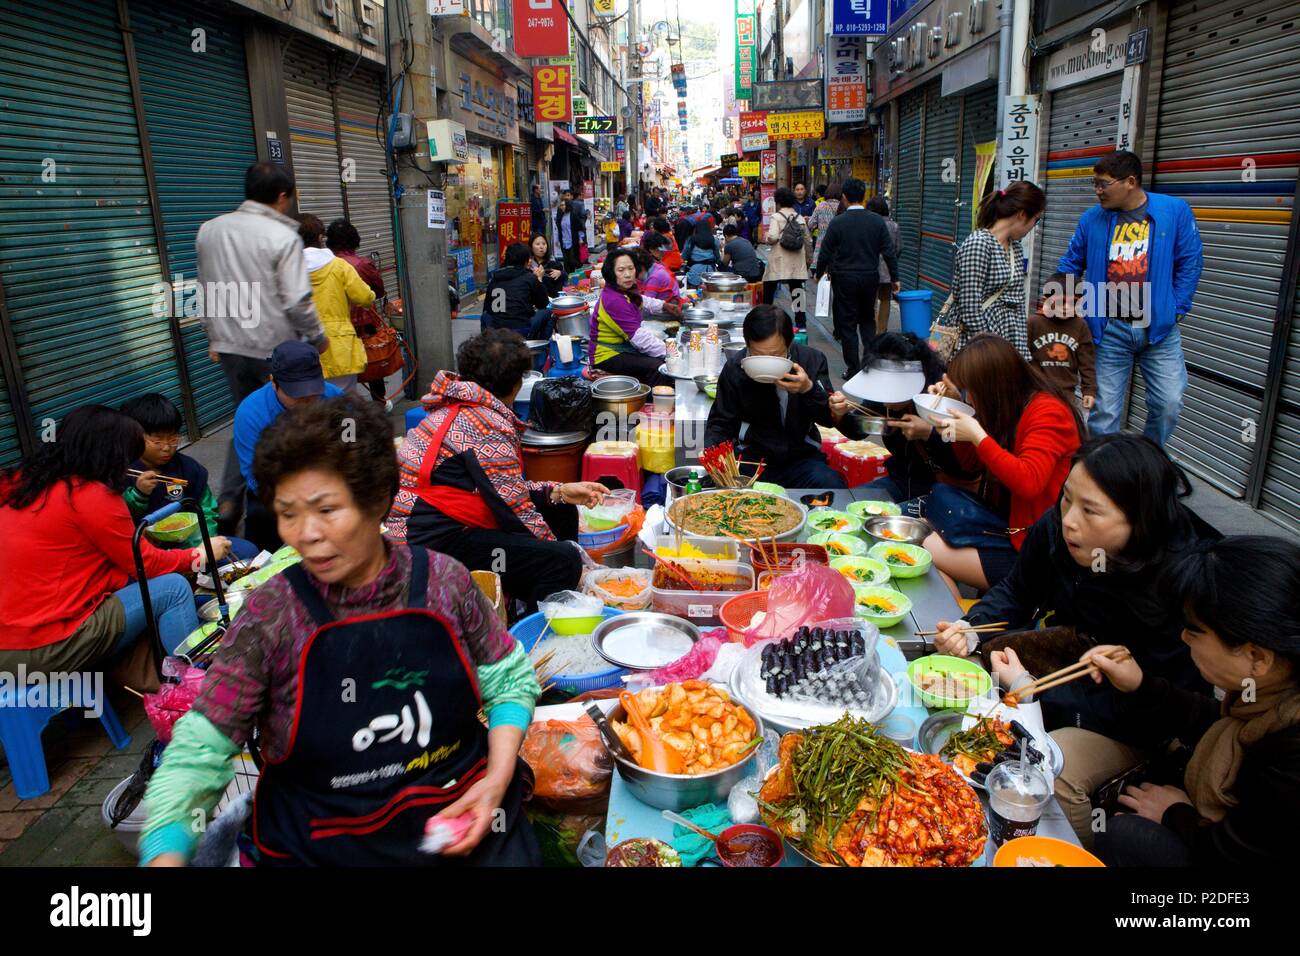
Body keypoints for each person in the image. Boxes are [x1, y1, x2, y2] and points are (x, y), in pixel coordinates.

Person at [140, 396, 543, 867]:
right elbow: (199, 750)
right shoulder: (271, 616)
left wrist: (495, 780)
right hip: (324, 846)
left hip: (465, 820)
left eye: (326, 509)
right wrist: (163, 852)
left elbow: (509, 682)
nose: (305, 534)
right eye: (288, 513)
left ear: (378, 502)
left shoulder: (444, 581)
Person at [930, 434, 1218, 843]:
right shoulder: (1060, 527)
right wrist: (971, 629)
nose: (1068, 519)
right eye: (1067, 498)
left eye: (1091, 510)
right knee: (958, 685)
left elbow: (1161, 709)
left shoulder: (1184, 584)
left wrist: (1034, 697)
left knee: (1048, 771)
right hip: (1069, 660)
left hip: (1135, 715)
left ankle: (1056, 847)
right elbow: (1017, 591)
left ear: (1140, 519)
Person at [1081, 536, 1300, 867]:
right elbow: (1210, 720)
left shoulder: (1292, 752)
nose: (1183, 637)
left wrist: (1176, 815)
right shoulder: (1269, 690)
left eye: (1194, 630)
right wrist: (1139, 685)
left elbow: (1241, 852)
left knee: (1127, 836)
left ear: (1256, 657)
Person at [0, 406, 228, 684]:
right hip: (46, 647)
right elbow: (149, 565)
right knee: (173, 589)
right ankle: (199, 688)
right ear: (107, 454)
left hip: (7, 644)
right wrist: (199, 554)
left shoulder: (19, 482)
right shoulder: (90, 494)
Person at [387, 331, 608, 608]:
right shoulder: (486, 425)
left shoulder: (457, 409)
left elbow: (501, 489)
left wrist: (559, 492)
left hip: (444, 524)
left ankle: (533, 595)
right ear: (516, 385)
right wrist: (572, 562)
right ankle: (533, 628)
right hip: (427, 544)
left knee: (560, 509)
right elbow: (513, 510)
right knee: (561, 562)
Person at [196, 162, 327, 534]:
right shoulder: (282, 236)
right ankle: (286, 500)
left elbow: (205, 288)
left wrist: (213, 336)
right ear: (283, 197)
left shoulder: (210, 230)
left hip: (232, 345)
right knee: (290, 417)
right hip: (276, 347)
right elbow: (298, 299)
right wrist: (317, 338)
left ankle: (230, 500)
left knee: (246, 416)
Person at [1052, 150, 1204, 446]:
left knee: (1169, 404)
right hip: (1108, 331)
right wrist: (1058, 296)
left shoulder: (1174, 211)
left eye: (1103, 184)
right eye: (1094, 183)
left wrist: (1177, 309)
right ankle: (1101, 476)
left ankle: (1146, 463)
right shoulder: (1092, 219)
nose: (1097, 191)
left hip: (1158, 331)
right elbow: (1070, 264)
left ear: (1131, 181)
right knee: (1103, 413)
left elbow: (1190, 261)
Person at [922, 333, 1084, 593]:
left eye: (970, 390)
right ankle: (957, 625)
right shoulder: (1004, 406)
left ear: (992, 385)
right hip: (1003, 527)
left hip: (1036, 550)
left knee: (925, 549)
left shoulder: (1048, 412)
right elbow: (970, 464)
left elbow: (1029, 481)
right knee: (924, 543)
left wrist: (977, 435)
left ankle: (960, 627)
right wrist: (953, 408)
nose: (970, 399)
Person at [704, 304, 845, 489]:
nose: (768, 361)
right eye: (758, 355)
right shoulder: (735, 368)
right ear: (747, 345)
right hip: (752, 460)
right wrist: (715, 459)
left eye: (776, 355)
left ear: (790, 343)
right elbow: (721, 422)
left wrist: (808, 389)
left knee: (831, 483)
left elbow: (827, 418)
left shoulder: (812, 360)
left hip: (800, 459)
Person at [829, 332, 972, 504]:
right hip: (900, 482)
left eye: (891, 389)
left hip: (944, 491)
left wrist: (928, 433)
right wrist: (840, 415)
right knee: (843, 507)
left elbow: (964, 465)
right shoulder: (881, 399)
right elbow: (860, 428)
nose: (884, 399)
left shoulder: (943, 397)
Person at [233, 341, 344, 552]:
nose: (306, 401)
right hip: (274, 491)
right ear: (273, 382)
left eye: (312, 393)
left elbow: (353, 437)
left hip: (329, 481)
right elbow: (254, 475)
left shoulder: (335, 397)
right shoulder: (250, 414)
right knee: (262, 551)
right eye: (297, 395)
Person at [120, 394, 257, 562]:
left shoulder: (189, 469)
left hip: (191, 542)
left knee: (247, 550)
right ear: (135, 436)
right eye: (157, 441)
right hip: (150, 552)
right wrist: (139, 495)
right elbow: (120, 517)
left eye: (173, 439)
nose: (166, 447)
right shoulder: (123, 473)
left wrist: (202, 544)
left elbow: (206, 509)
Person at [949, 181, 1045, 360]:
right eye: (1036, 219)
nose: (1034, 226)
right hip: (980, 349)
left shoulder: (1014, 246)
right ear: (1022, 215)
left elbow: (1016, 300)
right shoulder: (979, 243)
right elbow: (970, 308)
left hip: (1006, 341)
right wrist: (992, 352)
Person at [814, 178, 899, 376]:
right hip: (870, 277)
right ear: (864, 196)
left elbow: (825, 251)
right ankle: (870, 364)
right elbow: (888, 252)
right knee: (867, 320)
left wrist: (819, 273)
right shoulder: (876, 221)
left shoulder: (838, 222)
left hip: (844, 278)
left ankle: (853, 368)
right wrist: (895, 278)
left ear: (844, 198)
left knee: (848, 324)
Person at [297, 213, 375, 393]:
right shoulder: (339, 266)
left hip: (302, 345)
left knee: (311, 405)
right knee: (343, 403)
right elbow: (364, 297)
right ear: (319, 238)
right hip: (339, 345)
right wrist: (370, 296)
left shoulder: (288, 269)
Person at [325, 219, 389, 406]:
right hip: (364, 323)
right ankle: (377, 406)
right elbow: (377, 291)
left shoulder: (324, 266)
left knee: (342, 378)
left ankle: (345, 422)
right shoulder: (361, 264)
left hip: (336, 330)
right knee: (373, 366)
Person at [588, 248, 672, 386]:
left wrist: (664, 306)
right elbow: (639, 338)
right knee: (659, 367)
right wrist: (672, 353)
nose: (627, 274)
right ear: (611, 273)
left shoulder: (623, 290)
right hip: (606, 355)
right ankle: (652, 402)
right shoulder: (614, 300)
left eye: (631, 268)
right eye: (621, 270)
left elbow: (641, 299)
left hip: (622, 348)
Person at [1030, 272, 1097, 413]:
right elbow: (1020, 356)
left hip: (1067, 394)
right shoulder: (1034, 323)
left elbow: (1087, 362)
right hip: (1036, 393)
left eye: (1073, 302)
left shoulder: (1080, 326)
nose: (1066, 307)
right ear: (1046, 300)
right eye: (1061, 301)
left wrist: (1089, 390)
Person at [761, 186, 812, 331]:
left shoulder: (776, 217)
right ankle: (801, 324)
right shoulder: (800, 218)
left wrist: (766, 238)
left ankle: (766, 320)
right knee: (797, 293)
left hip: (779, 260)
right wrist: (808, 260)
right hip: (797, 262)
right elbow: (808, 241)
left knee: (769, 290)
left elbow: (772, 237)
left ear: (778, 202)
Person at [482, 242, 550, 338]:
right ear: (525, 261)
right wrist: (539, 279)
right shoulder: (529, 277)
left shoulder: (495, 278)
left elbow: (487, 309)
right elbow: (543, 304)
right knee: (548, 312)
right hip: (521, 329)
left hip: (497, 331)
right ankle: (542, 349)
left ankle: (487, 345)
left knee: (484, 316)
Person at [866, 196, 901, 336]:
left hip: (871, 269)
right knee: (885, 300)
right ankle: (882, 330)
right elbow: (898, 248)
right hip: (888, 270)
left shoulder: (869, 224)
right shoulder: (894, 226)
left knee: (871, 302)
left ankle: (872, 330)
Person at [640, 233, 685, 308]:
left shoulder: (658, 266)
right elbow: (646, 305)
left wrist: (675, 282)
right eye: (661, 250)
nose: (664, 253)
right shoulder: (654, 273)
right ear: (652, 250)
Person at [808, 182, 842, 266]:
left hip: (822, 246)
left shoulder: (821, 206)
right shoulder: (843, 206)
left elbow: (811, 224)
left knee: (821, 276)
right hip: (839, 248)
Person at [681, 219, 721, 288]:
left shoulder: (691, 240)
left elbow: (684, 257)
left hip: (694, 273)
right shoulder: (714, 240)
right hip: (710, 273)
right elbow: (718, 258)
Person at [555, 190, 585, 274]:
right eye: (561, 205)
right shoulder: (560, 216)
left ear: (567, 205)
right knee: (566, 261)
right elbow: (559, 228)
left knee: (572, 260)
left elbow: (579, 227)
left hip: (572, 240)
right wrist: (557, 240)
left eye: (563, 205)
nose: (561, 207)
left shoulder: (573, 215)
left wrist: (580, 238)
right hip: (564, 241)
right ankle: (568, 277)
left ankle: (576, 273)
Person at [529, 233, 566, 298]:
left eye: (544, 244)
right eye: (537, 244)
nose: (541, 247)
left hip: (553, 300)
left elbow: (566, 277)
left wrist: (561, 273)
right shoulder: (529, 265)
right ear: (531, 247)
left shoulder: (553, 263)